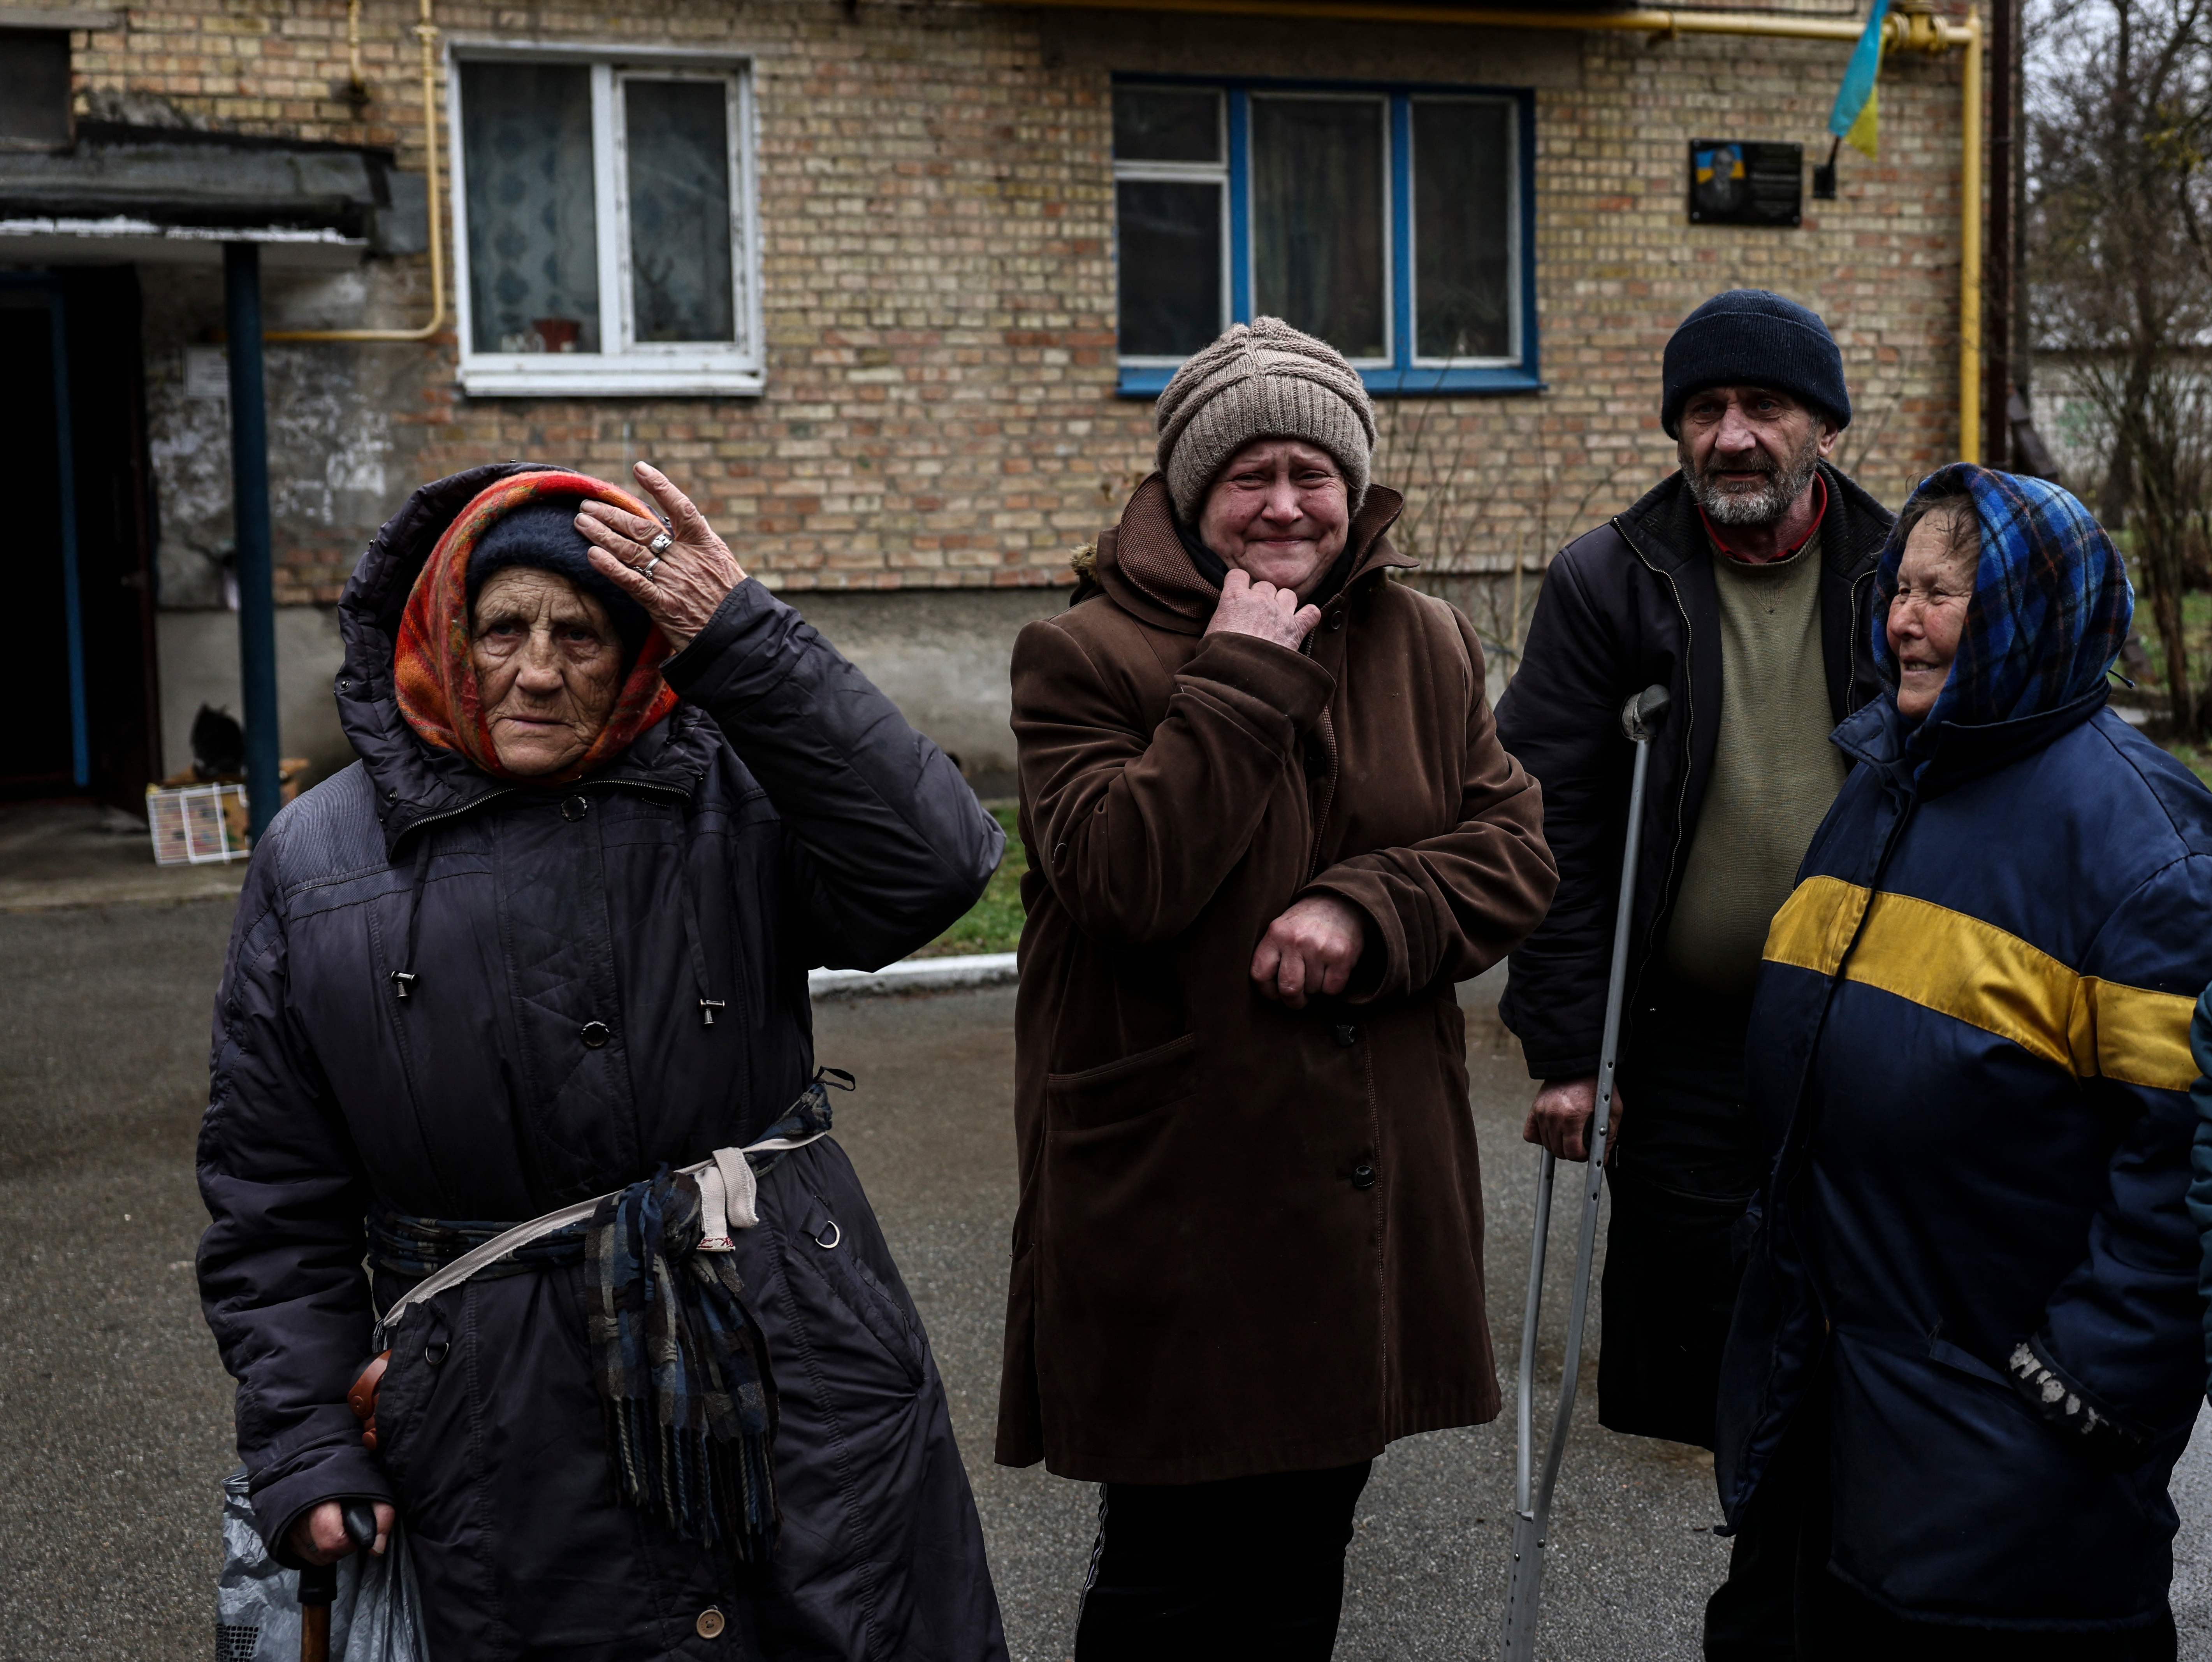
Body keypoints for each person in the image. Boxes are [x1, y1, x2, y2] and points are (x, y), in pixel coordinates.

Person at [195, 461, 1011, 1660]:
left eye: (580, 634)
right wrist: (306, 1438)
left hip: (786, 1340)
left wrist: (743, 638)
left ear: (638, 649)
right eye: (503, 629)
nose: (536, 669)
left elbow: (934, 863)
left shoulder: (729, 785)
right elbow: (273, 1191)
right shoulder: (318, 861)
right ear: (444, 635)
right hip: (495, 1403)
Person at [995, 317, 1558, 1660]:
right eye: (1250, 475)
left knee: (1308, 1551)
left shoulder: (1422, 639)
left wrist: (1363, 906)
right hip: (1178, 1189)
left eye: (1315, 472)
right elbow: (1121, 878)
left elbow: (1513, 851)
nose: (1286, 505)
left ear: (1354, 485)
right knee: (1170, 1572)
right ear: (1193, 493)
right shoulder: (1080, 654)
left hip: (1362, 1187)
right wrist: (1240, 674)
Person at [1718, 466, 2212, 1658]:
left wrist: (2082, 1390)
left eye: (1946, 592)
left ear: (2039, 609)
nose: (1901, 616)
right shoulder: (1886, 783)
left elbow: (2190, 1166)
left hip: (2009, 1479)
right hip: (1830, 1428)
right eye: (1900, 586)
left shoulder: (2145, 852)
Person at [1494, 288, 1894, 1655]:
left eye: (1762, 408)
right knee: (1699, 1328)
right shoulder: (1612, 579)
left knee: (1865, 1317)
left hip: (1866, 1026)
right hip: (1679, 1035)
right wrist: (1562, 1052)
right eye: (1703, 411)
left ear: (1822, 427)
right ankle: (1768, 1566)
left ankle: (1814, 1573)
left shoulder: (1899, 571)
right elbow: (1550, 821)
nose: (1731, 436)